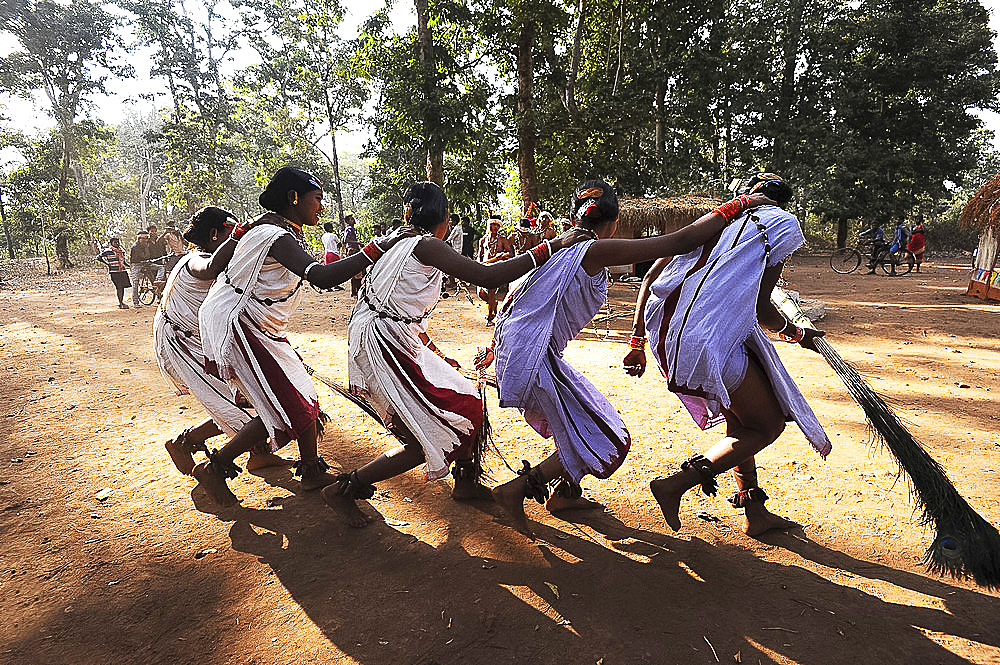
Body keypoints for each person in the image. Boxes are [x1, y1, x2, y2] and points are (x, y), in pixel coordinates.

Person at [474, 180, 773, 539]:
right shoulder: (589, 251)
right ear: (614, 223)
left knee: (584, 424)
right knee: (608, 439)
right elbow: (678, 242)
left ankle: (565, 493)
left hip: (523, 351)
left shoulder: (555, 249)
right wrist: (737, 205)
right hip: (534, 357)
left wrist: (495, 347)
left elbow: (519, 302)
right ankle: (516, 490)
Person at [321, 181, 591, 528]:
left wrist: (432, 351)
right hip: (384, 343)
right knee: (424, 437)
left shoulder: (396, 243)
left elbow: (399, 310)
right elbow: (486, 275)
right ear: (444, 219)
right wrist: (548, 247)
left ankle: (465, 481)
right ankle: (346, 489)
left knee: (469, 402)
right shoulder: (426, 246)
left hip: (391, 337)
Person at [624, 172, 831, 537]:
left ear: (747, 193)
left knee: (741, 421)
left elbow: (650, 277)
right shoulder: (780, 225)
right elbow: (763, 308)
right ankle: (675, 484)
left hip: (671, 336)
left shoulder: (716, 218)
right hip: (711, 341)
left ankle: (754, 509)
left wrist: (637, 339)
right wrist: (798, 332)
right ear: (780, 204)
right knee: (767, 426)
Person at [194, 167, 411, 505]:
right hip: (240, 324)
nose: (321, 207)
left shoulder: (275, 229)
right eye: (317, 199)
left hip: (255, 323)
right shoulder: (275, 236)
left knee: (301, 395)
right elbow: (322, 277)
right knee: (288, 400)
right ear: (294, 198)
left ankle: (310, 469)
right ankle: (216, 467)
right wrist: (374, 249)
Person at [155, 207, 285, 476]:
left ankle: (257, 455)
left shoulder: (224, 266)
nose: (238, 240)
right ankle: (187, 443)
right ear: (216, 235)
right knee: (243, 402)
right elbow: (211, 268)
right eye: (231, 232)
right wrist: (244, 232)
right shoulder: (196, 261)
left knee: (244, 396)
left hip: (197, 340)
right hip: (182, 342)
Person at [477, 215, 513, 324]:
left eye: (497, 225)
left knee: (491, 291)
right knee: (481, 293)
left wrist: (501, 256)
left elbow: (510, 253)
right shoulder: (483, 240)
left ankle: (490, 317)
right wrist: (478, 265)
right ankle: (493, 305)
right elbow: (480, 255)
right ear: (489, 225)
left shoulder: (503, 239)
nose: (495, 227)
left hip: (496, 268)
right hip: (484, 266)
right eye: (493, 225)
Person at [97, 237, 131, 309]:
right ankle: (120, 303)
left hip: (122, 271)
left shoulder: (121, 251)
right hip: (114, 272)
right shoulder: (108, 251)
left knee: (122, 287)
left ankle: (121, 302)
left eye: (118, 242)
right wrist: (107, 263)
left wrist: (129, 266)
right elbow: (99, 257)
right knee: (119, 287)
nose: (117, 244)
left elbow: (123, 261)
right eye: (115, 242)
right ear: (111, 243)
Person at [342, 214, 363, 297]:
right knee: (356, 272)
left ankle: (355, 291)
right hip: (352, 251)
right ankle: (355, 291)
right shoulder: (349, 229)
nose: (353, 220)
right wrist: (357, 243)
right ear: (348, 221)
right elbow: (345, 240)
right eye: (351, 219)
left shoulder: (352, 229)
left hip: (353, 250)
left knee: (355, 272)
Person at [129, 231, 151, 308]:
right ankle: (135, 301)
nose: (145, 240)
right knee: (135, 282)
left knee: (160, 268)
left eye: (146, 238)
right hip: (136, 264)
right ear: (139, 239)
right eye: (143, 238)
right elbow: (145, 256)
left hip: (144, 263)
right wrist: (146, 247)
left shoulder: (147, 244)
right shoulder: (135, 247)